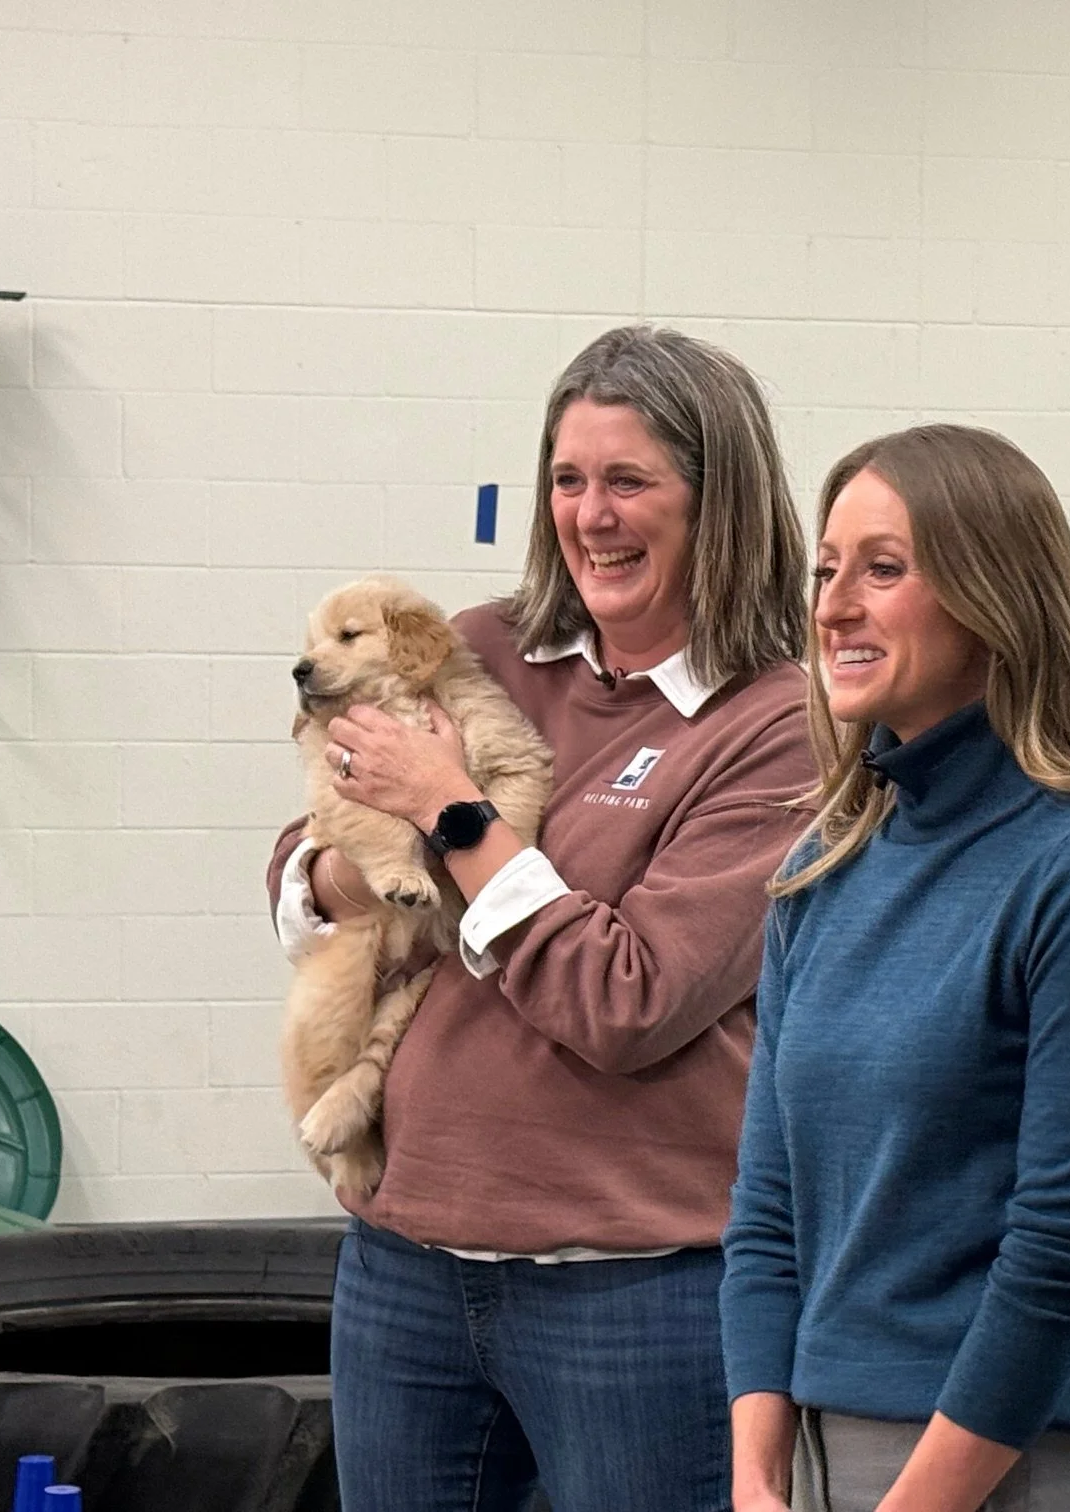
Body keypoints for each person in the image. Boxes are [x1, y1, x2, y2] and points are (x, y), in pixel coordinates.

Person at [266, 325, 815, 1512]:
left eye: (629, 481)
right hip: (406, 1262)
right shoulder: (481, 649)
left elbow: (632, 998)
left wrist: (453, 818)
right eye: (568, 481)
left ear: (717, 504)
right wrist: (337, 876)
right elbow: (309, 847)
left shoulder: (779, 724)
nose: (591, 516)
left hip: (640, 1292)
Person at [720, 424, 1070, 1512]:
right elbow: (767, 1207)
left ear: (995, 598)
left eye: (883, 569)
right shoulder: (824, 868)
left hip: (1008, 1467)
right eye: (827, 569)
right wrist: (754, 1479)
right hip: (813, 1457)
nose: (835, 603)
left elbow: (1065, 1249)